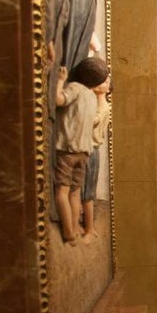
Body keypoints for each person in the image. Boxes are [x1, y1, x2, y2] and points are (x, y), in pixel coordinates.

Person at [54, 55, 111, 245]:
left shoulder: (76, 89)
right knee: (76, 192)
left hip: (69, 149)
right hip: (84, 152)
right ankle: (77, 228)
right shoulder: (91, 97)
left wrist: (60, 79)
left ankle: (69, 232)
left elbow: (59, 99)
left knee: (62, 190)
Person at [81, 73, 112, 241]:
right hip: (89, 147)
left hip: (91, 149)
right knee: (84, 187)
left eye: (106, 81)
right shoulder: (97, 101)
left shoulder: (101, 104)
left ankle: (89, 228)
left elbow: (94, 120)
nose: (102, 83)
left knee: (88, 190)